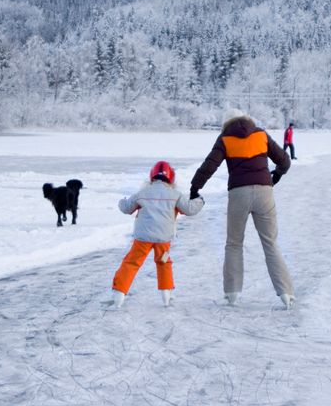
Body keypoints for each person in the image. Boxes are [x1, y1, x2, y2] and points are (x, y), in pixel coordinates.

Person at [190, 109, 295, 309]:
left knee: (234, 243)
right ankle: (286, 293)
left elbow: (209, 166)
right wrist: (278, 174)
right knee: (270, 243)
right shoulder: (261, 134)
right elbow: (284, 160)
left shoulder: (225, 138)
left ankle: (232, 293)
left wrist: (195, 187)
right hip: (265, 192)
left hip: (238, 194)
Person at [111, 160, 204, 308]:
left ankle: (119, 295)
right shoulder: (175, 195)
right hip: (163, 238)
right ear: (171, 178)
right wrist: (199, 200)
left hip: (143, 238)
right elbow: (190, 209)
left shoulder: (143, 193)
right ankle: (166, 296)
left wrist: (122, 201)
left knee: (131, 263)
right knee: (163, 263)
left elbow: (127, 208)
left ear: (152, 177)